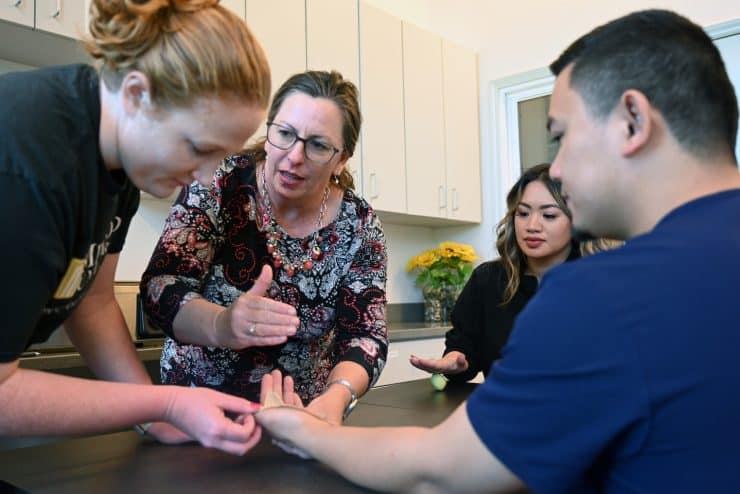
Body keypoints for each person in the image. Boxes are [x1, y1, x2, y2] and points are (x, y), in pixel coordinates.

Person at [255, 9, 740, 492]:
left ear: (633, 122)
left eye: (561, 137)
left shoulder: (607, 296)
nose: (560, 170)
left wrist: (304, 429)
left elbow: (438, 473)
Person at [0, 0, 273, 456]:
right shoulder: (29, 163)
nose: (206, 177)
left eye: (218, 159)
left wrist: (155, 417)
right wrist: (165, 402)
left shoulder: (119, 167)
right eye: (197, 148)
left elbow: (94, 301)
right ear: (135, 94)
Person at [139, 70, 388, 425]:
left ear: (341, 159)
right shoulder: (219, 182)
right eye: (285, 134)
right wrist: (222, 324)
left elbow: (366, 333)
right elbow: (161, 285)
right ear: (269, 131)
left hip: (301, 418)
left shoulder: (359, 223)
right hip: (196, 414)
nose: (295, 156)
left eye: (318, 145)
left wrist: (335, 399)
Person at [410, 163, 580, 382]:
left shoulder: (600, 281)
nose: (532, 225)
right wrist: (454, 361)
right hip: (506, 410)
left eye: (548, 215)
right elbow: (464, 348)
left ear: (577, 220)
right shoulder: (488, 279)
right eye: (523, 213)